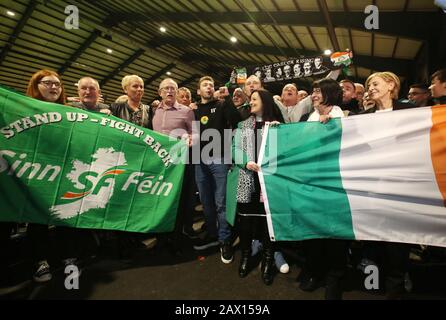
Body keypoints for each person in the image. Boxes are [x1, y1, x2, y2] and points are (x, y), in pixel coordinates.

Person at [360, 71, 413, 299]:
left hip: (401, 188)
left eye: (375, 83)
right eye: (368, 85)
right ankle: (372, 285)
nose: (370, 87)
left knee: (398, 243)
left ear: (391, 85)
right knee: (374, 239)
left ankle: (396, 285)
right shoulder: (364, 117)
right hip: (373, 189)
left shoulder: (411, 113)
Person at [24, 69, 81, 282]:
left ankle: (69, 257)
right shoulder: (24, 109)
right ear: (36, 85)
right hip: (36, 172)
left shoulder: (69, 112)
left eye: (57, 84)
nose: (54, 87)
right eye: (47, 83)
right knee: (36, 218)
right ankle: (40, 261)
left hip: (64, 171)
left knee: (66, 213)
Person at [298, 79, 348, 300]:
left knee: (335, 230)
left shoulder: (344, 117)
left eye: (318, 91)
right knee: (314, 227)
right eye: (313, 91)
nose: (314, 94)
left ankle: (334, 277)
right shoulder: (306, 118)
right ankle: (314, 271)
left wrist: (332, 128)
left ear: (329, 94)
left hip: (334, 182)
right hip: (311, 181)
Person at [232, 89, 285, 285]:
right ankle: (245, 257)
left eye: (254, 99)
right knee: (245, 223)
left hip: (270, 184)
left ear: (265, 101)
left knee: (268, 224)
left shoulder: (278, 126)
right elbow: (234, 149)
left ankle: (268, 260)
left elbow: (285, 151)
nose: (251, 102)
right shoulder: (242, 125)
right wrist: (245, 162)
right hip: (247, 180)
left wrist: (282, 133)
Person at [193, 76, 241, 264]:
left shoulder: (222, 105)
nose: (209, 87)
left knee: (221, 202)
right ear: (198, 91)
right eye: (204, 84)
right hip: (199, 160)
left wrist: (228, 99)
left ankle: (225, 239)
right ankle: (212, 234)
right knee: (206, 201)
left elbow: (236, 121)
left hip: (219, 159)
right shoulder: (194, 110)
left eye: (211, 85)